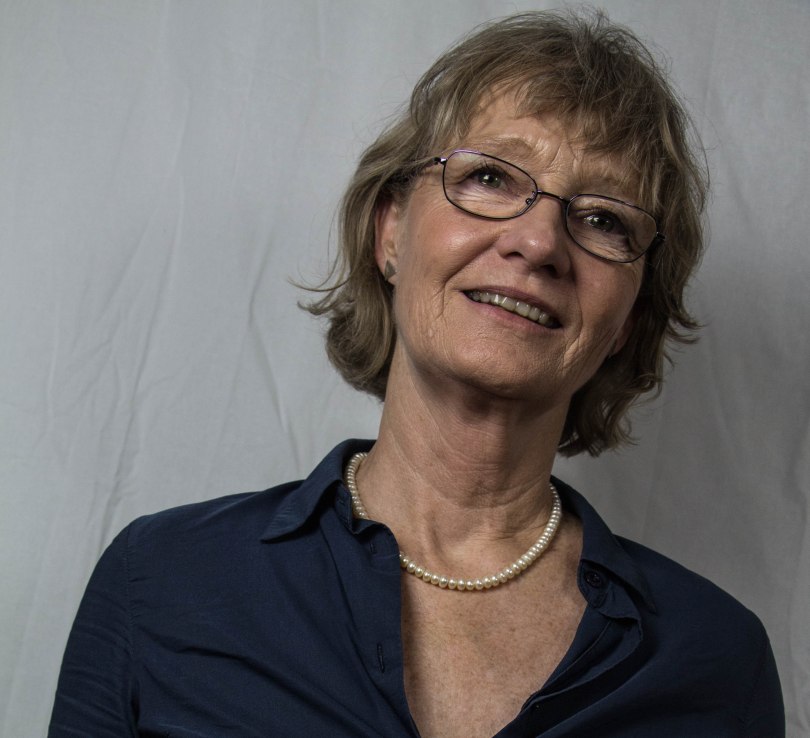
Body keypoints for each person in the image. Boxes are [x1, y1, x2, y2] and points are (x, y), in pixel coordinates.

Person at [49, 10, 784, 737]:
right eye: (491, 176)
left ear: (628, 317)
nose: (538, 243)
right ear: (390, 231)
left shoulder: (718, 661)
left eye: (603, 220)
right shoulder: (164, 580)